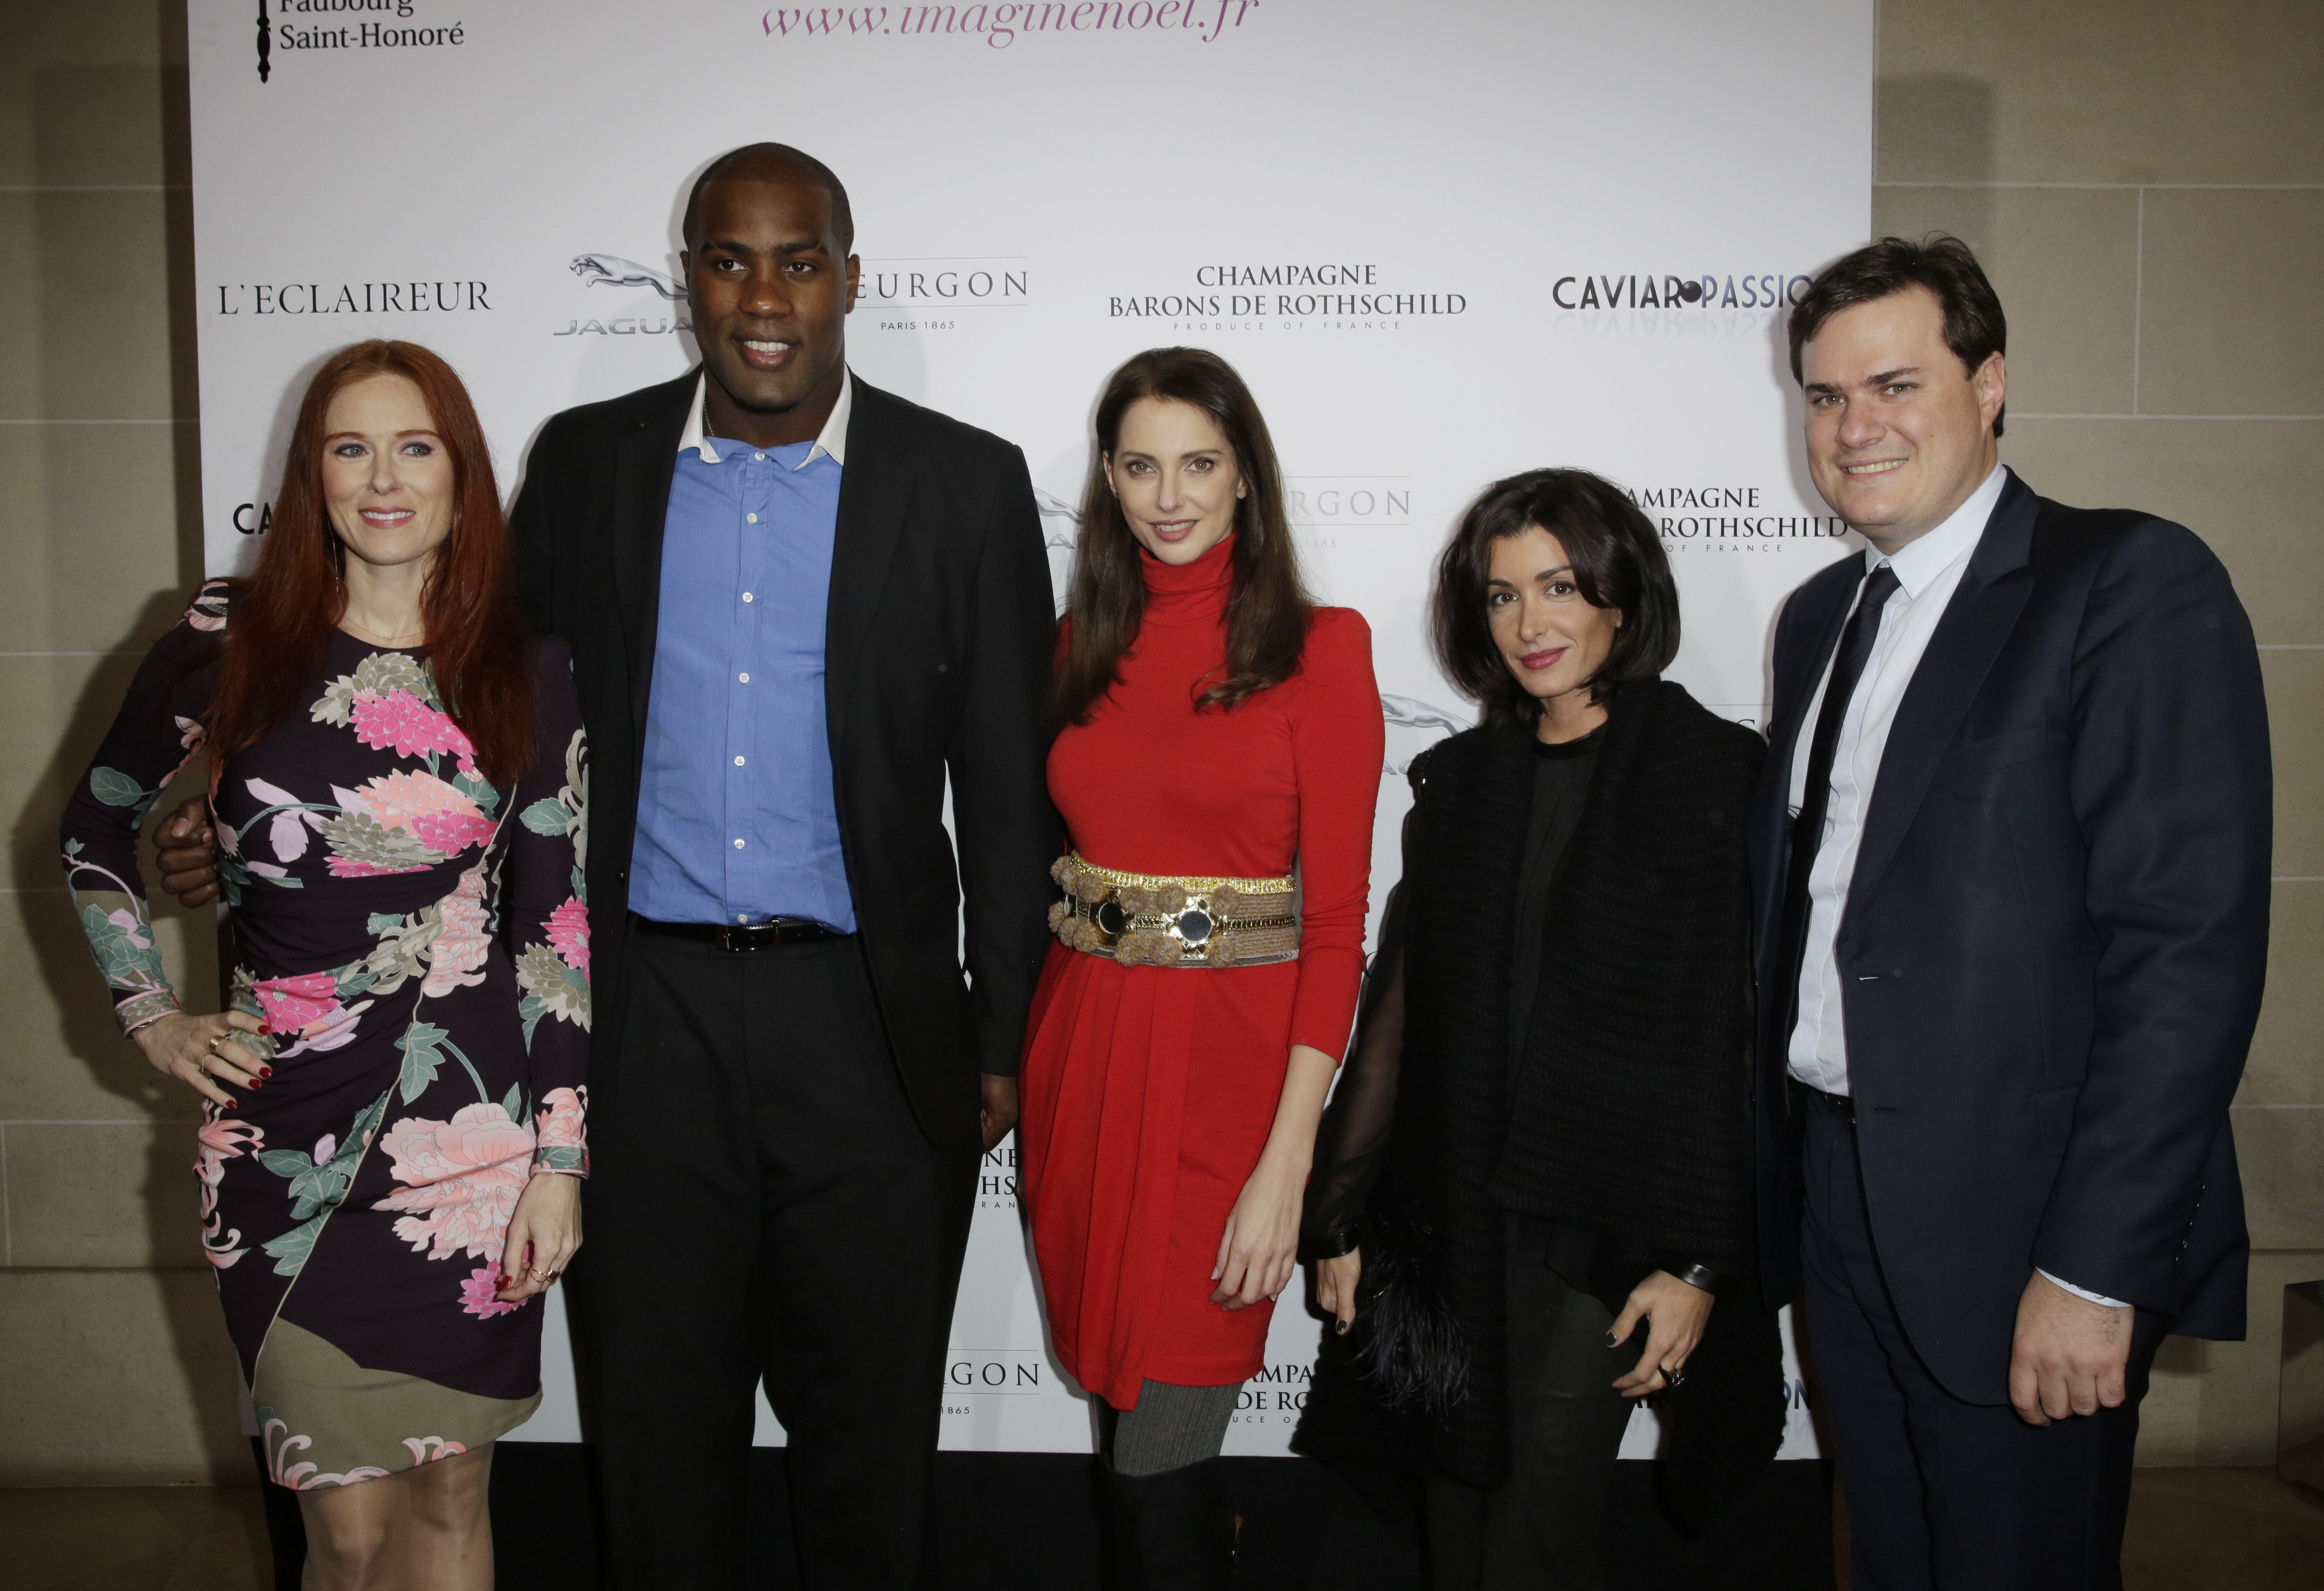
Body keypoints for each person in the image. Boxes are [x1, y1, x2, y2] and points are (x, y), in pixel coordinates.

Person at [154, 144, 1060, 1588]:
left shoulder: (964, 482)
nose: (764, 298)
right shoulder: (589, 461)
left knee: (872, 1451)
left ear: (849, 278)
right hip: (639, 1026)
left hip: (874, 1039)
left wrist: (1001, 1037)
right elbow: (459, 709)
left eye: (799, 261)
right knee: (654, 1443)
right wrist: (236, 830)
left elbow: (1008, 793)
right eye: (729, 259)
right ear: (686, 277)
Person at [1751, 236, 2270, 1589]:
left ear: (1989, 385)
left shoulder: (2126, 583)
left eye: (1895, 385)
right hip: (1838, 1200)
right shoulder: (1819, 616)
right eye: (1824, 396)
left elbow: (2184, 959)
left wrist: (2095, 1272)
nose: (1853, 427)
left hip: (2024, 1225)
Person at [62, 340, 589, 1590]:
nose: (384, 480)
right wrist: (150, 1013)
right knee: (344, 1536)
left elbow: (554, 931)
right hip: (277, 1141)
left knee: (453, 1491)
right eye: (351, 450)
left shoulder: (528, 668)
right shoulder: (225, 638)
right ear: (313, 476)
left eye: (415, 448)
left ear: (461, 475)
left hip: (468, 1145)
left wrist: (561, 1162)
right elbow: (93, 830)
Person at [1293, 469, 1785, 1590]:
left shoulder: (1712, 774)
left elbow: (1735, 1046)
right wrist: (1342, 1215)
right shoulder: (1465, 782)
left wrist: (1700, 1261)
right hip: (1458, 1210)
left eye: (1559, 587)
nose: (1530, 624)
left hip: (1611, 1220)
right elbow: (1400, 1015)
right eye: (1503, 595)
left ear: (1623, 595)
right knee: (1458, 1516)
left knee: (1538, 1524)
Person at [1016, 347, 1383, 1585]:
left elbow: (1335, 925)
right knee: (1119, 1415)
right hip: (1083, 1059)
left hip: (1231, 1094)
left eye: (1199, 463)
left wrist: (1289, 1162)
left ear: (1245, 477)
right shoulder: (1077, 643)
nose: (1168, 495)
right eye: (1140, 466)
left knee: (1161, 1450)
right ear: (1108, 480)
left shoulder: (1322, 649)